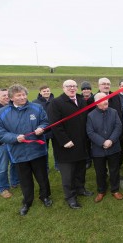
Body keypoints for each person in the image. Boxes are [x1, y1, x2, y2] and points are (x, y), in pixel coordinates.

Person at [0, 84, 51, 216]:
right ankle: (27, 201)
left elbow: (46, 122)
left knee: (42, 177)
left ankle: (45, 196)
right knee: (25, 179)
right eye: (19, 95)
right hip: (18, 153)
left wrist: (42, 127)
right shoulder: (2, 113)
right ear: (11, 97)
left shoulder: (37, 108)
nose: (22, 97)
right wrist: (14, 137)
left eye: (24, 94)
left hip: (37, 150)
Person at [48, 79, 93, 210]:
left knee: (80, 169)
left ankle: (80, 189)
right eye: (69, 86)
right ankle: (70, 197)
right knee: (68, 174)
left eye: (74, 86)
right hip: (66, 146)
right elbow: (55, 125)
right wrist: (65, 140)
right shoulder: (56, 103)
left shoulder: (82, 101)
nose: (72, 88)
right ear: (63, 88)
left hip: (81, 142)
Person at [87, 93, 123, 202]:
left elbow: (118, 127)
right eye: (103, 100)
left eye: (106, 99)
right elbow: (90, 132)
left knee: (114, 170)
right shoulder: (91, 115)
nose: (106, 101)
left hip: (113, 147)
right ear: (97, 102)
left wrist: (111, 140)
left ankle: (115, 190)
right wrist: (102, 142)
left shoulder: (114, 112)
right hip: (98, 149)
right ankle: (101, 191)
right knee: (100, 171)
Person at [32, 85, 57, 172]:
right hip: (43, 130)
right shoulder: (35, 103)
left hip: (55, 130)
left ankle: (57, 165)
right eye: (44, 91)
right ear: (40, 92)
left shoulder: (55, 101)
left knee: (57, 149)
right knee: (44, 150)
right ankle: (45, 167)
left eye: (47, 91)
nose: (46, 92)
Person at [80, 81, 94, 169]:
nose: (86, 90)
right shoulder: (78, 99)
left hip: (94, 124)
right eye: (84, 89)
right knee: (86, 144)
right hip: (83, 124)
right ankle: (88, 160)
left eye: (88, 89)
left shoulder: (95, 98)